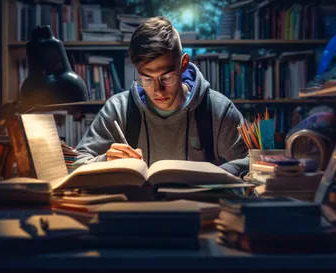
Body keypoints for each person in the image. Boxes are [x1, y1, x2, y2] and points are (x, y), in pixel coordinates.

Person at [75, 16, 249, 177]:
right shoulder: (118, 110)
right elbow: (74, 164)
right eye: (147, 78)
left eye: (167, 77)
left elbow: (255, 163)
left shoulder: (218, 110)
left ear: (184, 64)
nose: (158, 90)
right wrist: (104, 161)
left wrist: (215, 175)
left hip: (199, 209)